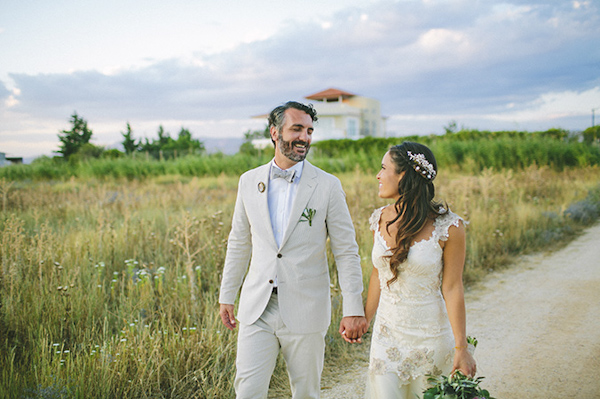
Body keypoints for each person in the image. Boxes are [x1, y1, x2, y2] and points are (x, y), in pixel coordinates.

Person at [219, 101, 367, 399]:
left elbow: (346, 251)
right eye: (297, 128)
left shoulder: (327, 186)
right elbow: (239, 242)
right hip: (257, 305)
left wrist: (353, 308)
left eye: (310, 131)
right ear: (275, 132)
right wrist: (227, 294)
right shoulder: (248, 181)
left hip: (306, 307)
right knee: (247, 390)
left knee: (306, 393)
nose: (305, 137)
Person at [363, 142, 476, 398]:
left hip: (430, 339)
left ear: (403, 175)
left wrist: (462, 346)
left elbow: (452, 286)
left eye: (383, 168)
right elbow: (377, 274)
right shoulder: (378, 218)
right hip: (386, 337)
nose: (378, 176)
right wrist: (364, 319)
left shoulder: (449, 227)